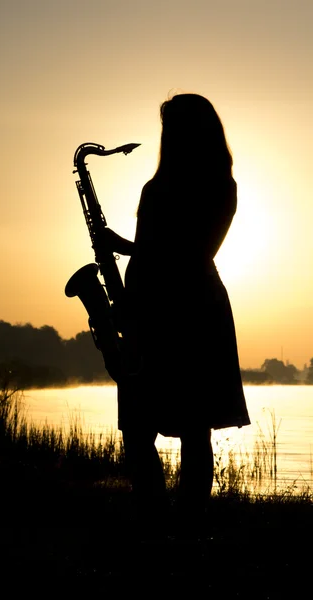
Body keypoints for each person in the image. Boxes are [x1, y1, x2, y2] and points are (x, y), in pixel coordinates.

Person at [102, 92, 251, 539]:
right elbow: (157, 253)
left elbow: (193, 252)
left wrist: (126, 247)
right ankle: (158, 523)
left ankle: (184, 529)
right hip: (155, 308)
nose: (166, 136)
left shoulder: (220, 188)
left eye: (172, 128)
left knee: (191, 426)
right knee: (141, 427)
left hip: (192, 312)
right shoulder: (161, 186)